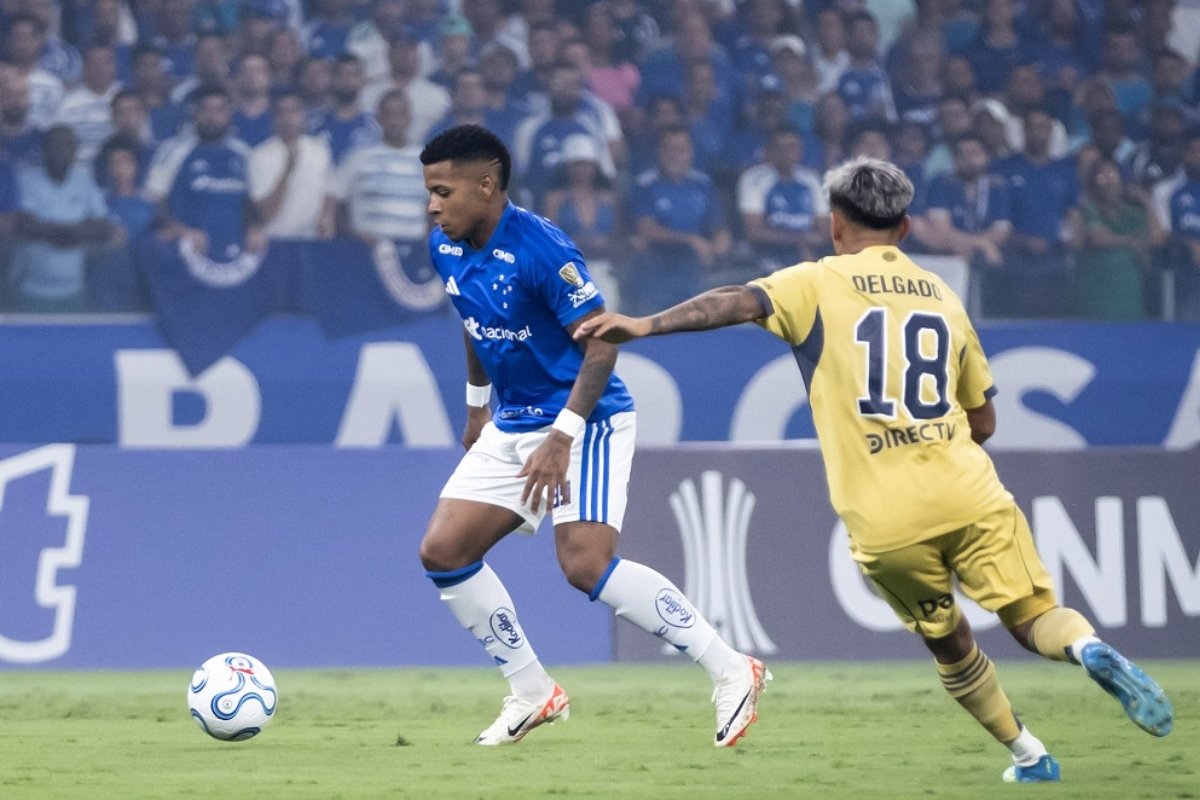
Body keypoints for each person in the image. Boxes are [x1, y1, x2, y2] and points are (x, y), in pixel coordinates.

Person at [573, 156, 1174, 781]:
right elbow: (985, 421)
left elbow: (737, 302)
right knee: (1031, 617)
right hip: (968, 490)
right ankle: (1088, 648)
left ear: (836, 225)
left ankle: (1030, 754)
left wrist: (644, 323)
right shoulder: (944, 296)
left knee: (949, 642)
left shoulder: (816, 282)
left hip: (885, 518)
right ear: (907, 228)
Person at [417, 124, 769, 748]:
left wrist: (563, 435)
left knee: (585, 565)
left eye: (443, 191)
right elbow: (474, 322)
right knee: (443, 552)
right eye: (429, 193)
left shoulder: (543, 249)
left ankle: (731, 668)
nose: (433, 205)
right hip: (515, 418)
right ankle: (532, 691)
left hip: (589, 417)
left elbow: (603, 342)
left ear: (486, 184)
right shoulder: (445, 247)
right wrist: (477, 408)